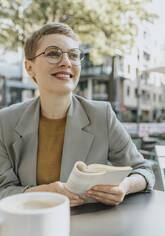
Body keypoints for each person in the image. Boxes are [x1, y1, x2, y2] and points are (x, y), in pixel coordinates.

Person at [0, 23, 155, 207]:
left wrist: (125, 186)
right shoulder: (5, 121)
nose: (66, 62)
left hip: (92, 227)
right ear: (29, 67)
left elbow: (144, 170)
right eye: (53, 53)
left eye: (73, 55)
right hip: (29, 226)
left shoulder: (101, 115)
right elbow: (3, 189)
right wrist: (43, 192)